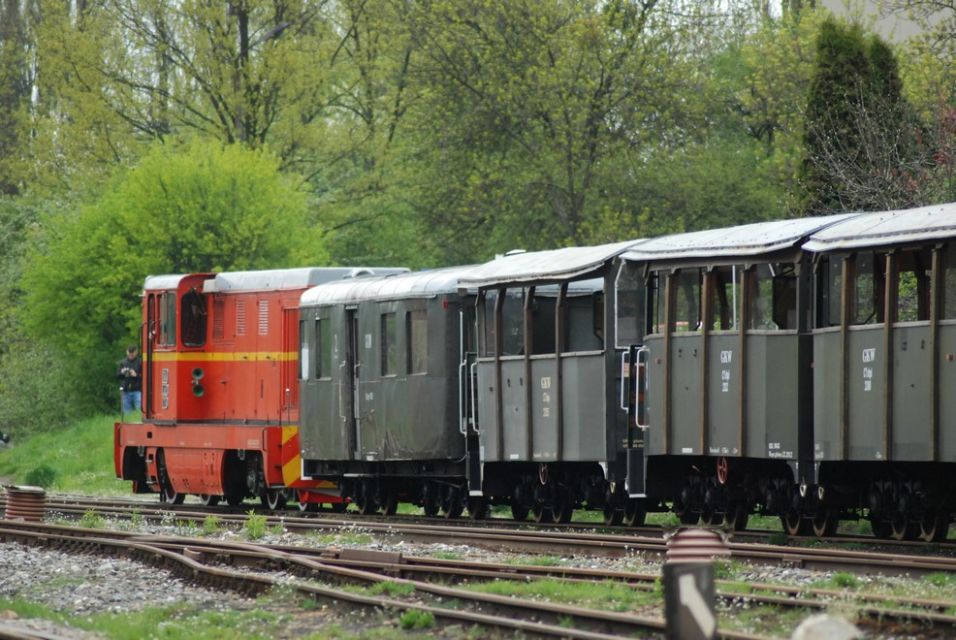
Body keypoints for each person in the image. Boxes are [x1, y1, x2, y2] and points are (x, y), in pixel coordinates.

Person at [117, 345, 143, 422]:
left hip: (137, 390)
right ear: (126, 352)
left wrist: (136, 375)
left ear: (136, 352)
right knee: (127, 413)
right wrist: (122, 372)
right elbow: (118, 376)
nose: (131, 355)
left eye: (132, 353)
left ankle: (140, 424)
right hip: (125, 390)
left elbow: (146, 376)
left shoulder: (140, 362)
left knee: (140, 410)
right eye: (129, 353)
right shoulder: (122, 362)